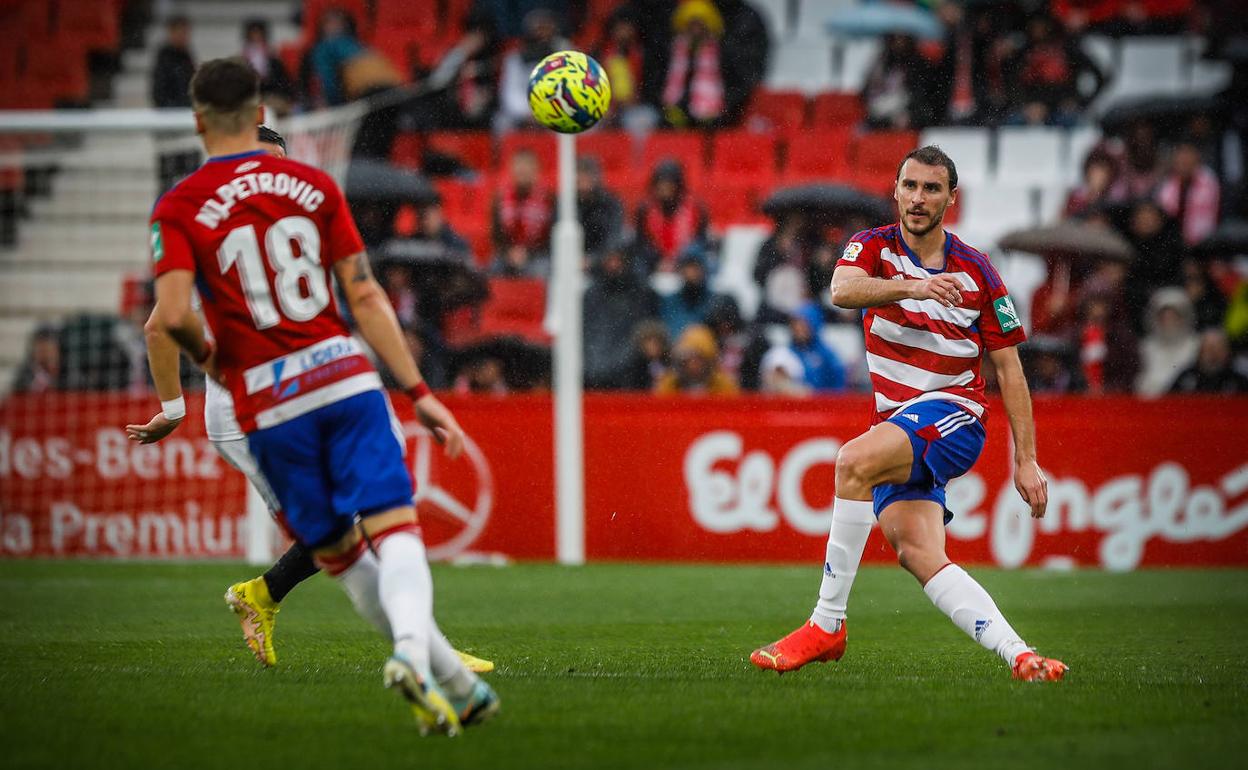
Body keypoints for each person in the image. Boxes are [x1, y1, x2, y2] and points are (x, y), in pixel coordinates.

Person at [130, 60, 498, 734]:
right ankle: (431, 661)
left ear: (199, 122)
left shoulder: (178, 206)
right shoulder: (313, 184)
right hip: (341, 375)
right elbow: (365, 293)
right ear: (259, 115)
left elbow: (170, 317)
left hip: (265, 399)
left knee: (338, 545)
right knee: (388, 522)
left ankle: (431, 661)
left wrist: (218, 369)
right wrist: (418, 390)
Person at [750, 146, 1066, 682]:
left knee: (852, 463)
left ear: (951, 198)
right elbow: (843, 289)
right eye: (910, 186)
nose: (919, 198)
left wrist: (1026, 460)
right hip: (899, 423)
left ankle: (826, 624)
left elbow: (1010, 371)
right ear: (896, 191)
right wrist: (914, 286)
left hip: (955, 414)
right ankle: (1021, 656)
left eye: (932, 188)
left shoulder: (979, 271)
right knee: (919, 553)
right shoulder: (871, 247)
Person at [583, 245, 660, 389]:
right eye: (610, 260)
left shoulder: (642, 292)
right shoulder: (592, 294)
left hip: (629, 365)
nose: (613, 265)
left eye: (617, 260)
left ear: (627, 262)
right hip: (594, 362)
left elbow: (643, 330)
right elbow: (588, 331)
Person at [634, 160, 709, 274]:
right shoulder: (644, 210)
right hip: (654, 263)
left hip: (687, 263)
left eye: (668, 184)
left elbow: (701, 240)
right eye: (660, 184)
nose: (664, 188)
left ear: (678, 185)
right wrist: (659, 261)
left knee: (701, 261)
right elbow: (641, 242)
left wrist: (679, 261)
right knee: (637, 263)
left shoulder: (696, 209)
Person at [492, 148, 554, 277]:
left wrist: (528, 253)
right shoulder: (500, 198)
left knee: (541, 271)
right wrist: (509, 252)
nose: (522, 170)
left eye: (527, 166)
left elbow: (551, 236)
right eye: (519, 166)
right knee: (492, 270)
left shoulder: (549, 199)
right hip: (507, 254)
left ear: (536, 170)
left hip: (538, 254)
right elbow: (496, 233)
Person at [1156, 139, 1221, 247]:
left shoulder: (1208, 180)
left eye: (1188, 155)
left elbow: (1205, 224)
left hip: (1204, 244)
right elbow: (1165, 216)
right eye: (1181, 155)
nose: (1185, 159)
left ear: (1197, 158)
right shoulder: (1167, 184)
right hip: (1173, 243)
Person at [1135, 287, 1199, 397]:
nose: (1169, 322)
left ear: (1184, 317)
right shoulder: (1145, 346)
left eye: (1174, 317)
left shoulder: (1196, 345)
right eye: (1164, 318)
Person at [654, 324, 738, 396]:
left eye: (699, 359)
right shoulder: (668, 386)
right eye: (688, 359)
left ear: (709, 361)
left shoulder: (725, 387)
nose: (693, 364)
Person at [788, 302, 846, 393]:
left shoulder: (827, 354)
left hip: (824, 400)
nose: (798, 329)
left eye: (803, 325)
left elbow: (838, 385)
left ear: (813, 325)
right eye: (795, 325)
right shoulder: (786, 352)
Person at [242, 19, 297, 114]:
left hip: (270, 95)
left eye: (258, 34)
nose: (256, 37)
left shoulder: (272, 57)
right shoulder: (244, 58)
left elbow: (282, 81)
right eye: (253, 34)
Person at [1170, 328, 1248, 394]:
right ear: (1200, 352)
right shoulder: (1186, 378)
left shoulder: (1238, 381)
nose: (1212, 354)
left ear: (1227, 352)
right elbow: (1169, 401)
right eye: (1208, 349)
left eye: (1218, 349)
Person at [576, 157, 625, 260]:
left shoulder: (610, 203)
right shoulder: (565, 203)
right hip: (570, 256)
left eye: (587, 175)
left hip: (602, 259)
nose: (583, 179)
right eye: (579, 175)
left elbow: (613, 236)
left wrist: (593, 259)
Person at [152, 16, 195, 108]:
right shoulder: (164, 57)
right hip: (171, 110)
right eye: (181, 32)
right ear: (171, 32)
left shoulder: (186, 55)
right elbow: (159, 91)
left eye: (186, 33)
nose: (184, 37)